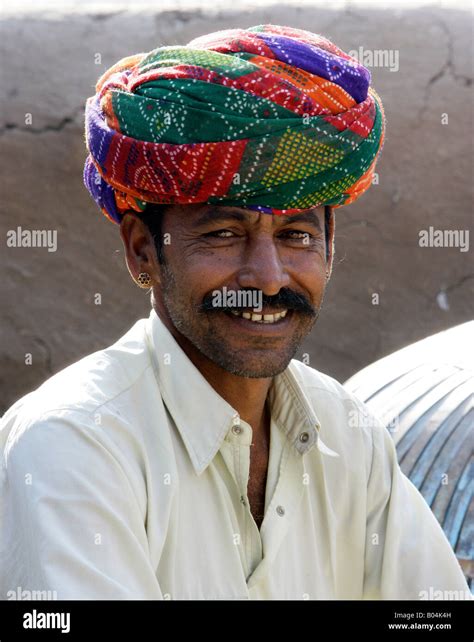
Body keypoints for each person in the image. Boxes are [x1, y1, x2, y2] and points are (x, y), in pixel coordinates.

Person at [1, 25, 469, 600]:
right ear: (141, 249)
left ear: (330, 246)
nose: (268, 278)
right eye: (223, 234)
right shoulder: (73, 444)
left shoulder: (350, 437)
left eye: (297, 235)